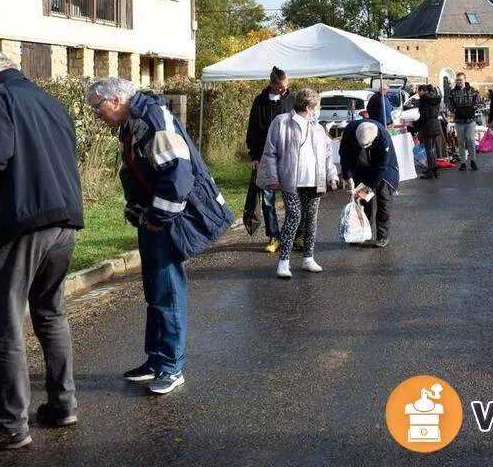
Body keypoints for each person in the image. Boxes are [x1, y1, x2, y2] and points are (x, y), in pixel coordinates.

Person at [0, 52, 84, 452]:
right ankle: (63, 405)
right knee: (50, 313)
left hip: (22, 222)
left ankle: (10, 425)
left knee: (5, 321)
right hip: (64, 221)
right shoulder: (51, 102)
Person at [87, 77, 234, 394]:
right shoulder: (135, 121)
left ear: (115, 100)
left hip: (166, 221)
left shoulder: (152, 120)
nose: (95, 116)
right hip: (152, 218)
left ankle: (170, 366)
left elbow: (178, 175)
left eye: (97, 108)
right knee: (155, 291)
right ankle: (156, 360)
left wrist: (158, 217)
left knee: (167, 291)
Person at [256, 89, 339, 278]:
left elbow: (327, 155)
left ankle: (308, 258)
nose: (318, 110)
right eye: (317, 106)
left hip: (313, 181)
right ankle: (283, 262)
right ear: (309, 107)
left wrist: (331, 175)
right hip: (291, 180)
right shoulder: (282, 122)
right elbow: (270, 152)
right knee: (293, 216)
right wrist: (272, 178)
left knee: (311, 220)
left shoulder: (318, 128)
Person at [246, 66, 295, 254]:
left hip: (288, 156)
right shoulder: (260, 102)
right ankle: (274, 236)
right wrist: (254, 156)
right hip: (266, 157)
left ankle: (295, 235)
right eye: (281, 87)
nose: (284, 90)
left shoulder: (292, 100)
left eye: (286, 86)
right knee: (268, 200)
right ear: (272, 84)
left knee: (292, 197)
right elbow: (253, 130)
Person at [339, 120, 399, 248]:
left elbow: (382, 167)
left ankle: (382, 235)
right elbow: (344, 154)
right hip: (361, 165)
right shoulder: (350, 131)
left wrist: (368, 189)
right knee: (363, 201)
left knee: (384, 199)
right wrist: (348, 176)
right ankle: (363, 232)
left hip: (383, 168)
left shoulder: (383, 137)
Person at [447, 72, 481, 171]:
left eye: (460, 80)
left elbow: (478, 101)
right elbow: (449, 104)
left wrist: (472, 109)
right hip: (459, 121)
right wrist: (455, 111)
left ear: (464, 80)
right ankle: (463, 162)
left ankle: (472, 160)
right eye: (457, 80)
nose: (459, 82)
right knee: (461, 142)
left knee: (470, 141)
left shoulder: (471, 90)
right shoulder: (453, 92)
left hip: (470, 120)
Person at [414, 85, 442, 179]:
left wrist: (415, 124)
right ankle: (434, 169)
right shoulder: (435, 98)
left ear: (423, 91)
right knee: (432, 149)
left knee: (429, 150)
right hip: (435, 124)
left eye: (419, 91)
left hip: (428, 126)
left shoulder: (424, 99)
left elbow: (424, 116)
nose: (418, 93)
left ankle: (431, 170)